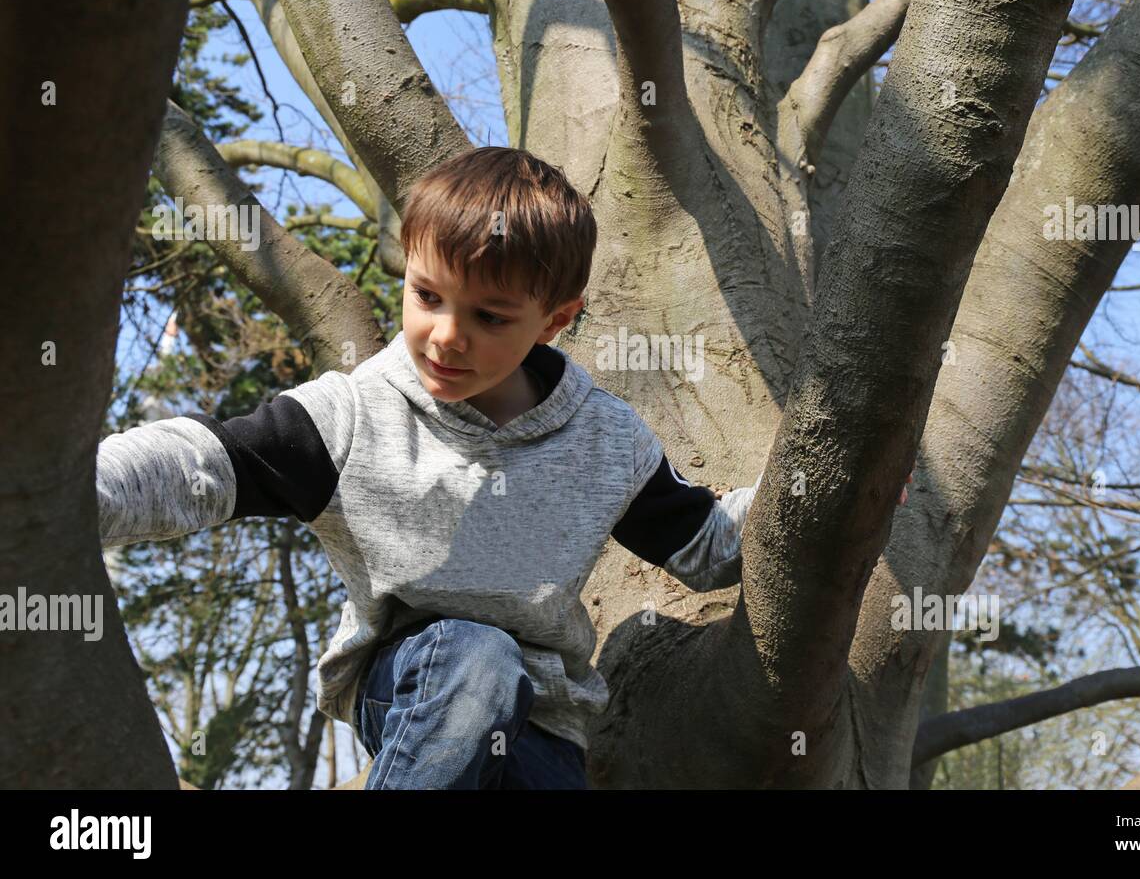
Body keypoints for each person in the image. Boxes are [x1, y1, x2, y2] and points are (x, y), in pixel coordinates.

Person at [97, 146, 912, 789]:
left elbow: (705, 546)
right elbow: (208, 462)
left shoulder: (603, 442)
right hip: (413, 686)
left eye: (489, 317)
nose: (447, 336)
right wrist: (78, 487)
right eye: (427, 297)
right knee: (477, 658)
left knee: (514, 699)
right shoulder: (352, 418)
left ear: (555, 321)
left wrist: (826, 492)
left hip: (547, 733)